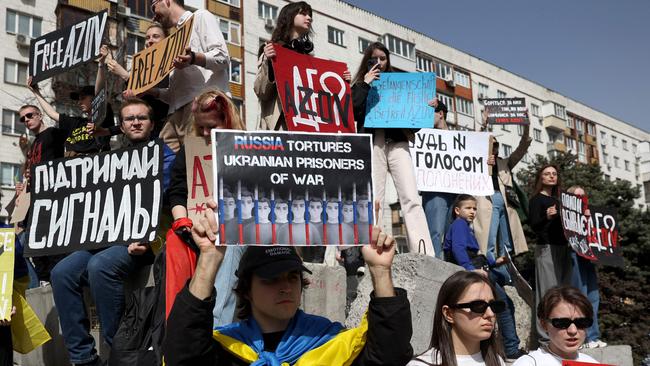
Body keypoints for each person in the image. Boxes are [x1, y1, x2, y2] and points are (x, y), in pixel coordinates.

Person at [162, 200, 413, 365]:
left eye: (293, 277)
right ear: (246, 290)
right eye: (271, 279)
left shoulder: (331, 343)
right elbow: (182, 355)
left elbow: (388, 356)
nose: (285, 287)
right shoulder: (226, 348)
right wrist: (209, 257)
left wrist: (380, 270)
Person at [50, 98, 175, 366]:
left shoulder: (166, 156)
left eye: (141, 118)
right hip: (107, 239)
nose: (136, 122)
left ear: (152, 124)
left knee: (100, 267)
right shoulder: (109, 159)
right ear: (122, 125)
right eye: (130, 119)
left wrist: (143, 235)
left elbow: (162, 199)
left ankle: (121, 351)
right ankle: (83, 358)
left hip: (146, 241)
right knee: (62, 272)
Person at [166, 89, 247, 328]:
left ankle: (216, 328)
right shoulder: (190, 150)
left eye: (212, 126)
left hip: (236, 227)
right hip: (195, 226)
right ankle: (175, 325)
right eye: (201, 127)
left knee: (228, 242)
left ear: (227, 121)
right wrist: (182, 221)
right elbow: (178, 191)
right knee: (173, 243)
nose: (205, 133)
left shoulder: (249, 147)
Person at [351, 42, 434, 256]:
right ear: (367, 60)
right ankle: (373, 248)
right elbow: (351, 111)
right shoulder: (361, 83)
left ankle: (423, 251)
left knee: (411, 196)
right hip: (373, 144)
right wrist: (365, 84)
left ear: (389, 61)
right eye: (374, 58)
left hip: (398, 143)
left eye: (383, 58)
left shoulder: (400, 84)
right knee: (373, 199)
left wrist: (425, 108)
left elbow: (412, 120)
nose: (379, 62)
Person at [442, 194, 523, 361]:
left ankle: (510, 346)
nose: (472, 212)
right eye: (468, 208)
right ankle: (511, 350)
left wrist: (495, 263)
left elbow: (474, 254)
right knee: (503, 305)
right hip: (474, 271)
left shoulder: (464, 226)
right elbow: (458, 249)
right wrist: (471, 269)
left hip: (482, 268)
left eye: (474, 209)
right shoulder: (459, 225)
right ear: (457, 210)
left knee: (505, 300)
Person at [151, 0, 230, 152]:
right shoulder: (174, 41)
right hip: (174, 116)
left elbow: (223, 58)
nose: (154, 17)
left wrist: (194, 58)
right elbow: (175, 94)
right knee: (166, 168)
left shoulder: (200, 17)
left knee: (200, 166)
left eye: (153, 7)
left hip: (201, 108)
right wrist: (152, 92)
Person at [408, 271, 506, 366]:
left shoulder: (498, 361)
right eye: (478, 306)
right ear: (449, 314)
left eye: (494, 305)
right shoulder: (421, 364)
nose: (490, 314)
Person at [94, 23, 170, 138]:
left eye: (155, 36)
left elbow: (163, 104)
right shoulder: (142, 71)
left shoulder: (172, 66)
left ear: (167, 40)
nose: (150, 41)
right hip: (142, 141)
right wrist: (107, 131)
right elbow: (135, 116)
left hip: (164, 134)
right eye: (147, 37)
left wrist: (125, 75)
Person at [473, 117, 531, 264]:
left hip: (505, 202)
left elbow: (522, 148)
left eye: (496, 145)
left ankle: (504, 268)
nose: (494, 148)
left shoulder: (505, 162)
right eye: (490, 145)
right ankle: (489, 264)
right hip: (487, 201)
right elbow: (470, 143)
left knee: (508, 240)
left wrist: (526, 127)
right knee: (488, 238)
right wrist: (483, 124)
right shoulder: (476, 161)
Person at [528, 164, 573, 343]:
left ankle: (562, 332)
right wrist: (546, 216)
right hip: (546, 249)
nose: (551, 176)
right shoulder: (536, 200)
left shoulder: (562, 200)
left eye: (554, 173)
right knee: (548, 292)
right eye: (547, 174)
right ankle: (545, 337)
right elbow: (533, 225)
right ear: (541, 178)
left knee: (565, 291)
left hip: (564, 248)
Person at [512, 286, 599, 365]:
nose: (573, 330)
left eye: (581, 323)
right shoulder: (529, 363)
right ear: (544, 324)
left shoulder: (592, 363)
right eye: (562, 323)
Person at [27, 78, 114, 156]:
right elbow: (52, 114)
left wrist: (101, 65)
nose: (79, 103)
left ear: (95, 99)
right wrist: (35, 91)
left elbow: (101, 93)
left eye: (83, 98)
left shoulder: (103, 119)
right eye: (78, 99)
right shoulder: (76, 123)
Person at [565, 186, 607, 349]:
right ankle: (584, 336)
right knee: (580, 296)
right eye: (577, 196)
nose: (582, 199)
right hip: (575, 255)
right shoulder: (567, 215)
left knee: (593, 297)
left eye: (583, 196)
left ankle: (593, 336)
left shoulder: (590, 214)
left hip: (588, 258)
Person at [420, 99, 455, 259]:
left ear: (440, 114)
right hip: (434, 191)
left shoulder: (458, 137)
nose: (427, 117)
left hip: (455, 192)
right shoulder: (424, 136)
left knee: (452, 235)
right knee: (434, 231)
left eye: (430, 113)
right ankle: (434, 267)